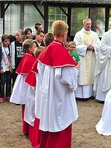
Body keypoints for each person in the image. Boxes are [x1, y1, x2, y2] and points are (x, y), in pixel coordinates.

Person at [33, 20, 78, 148]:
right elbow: (70, 81)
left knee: (48, 122)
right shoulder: (61, 52)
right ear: (64, 34)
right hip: (59, 97)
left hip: (47, 97)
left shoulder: (45, 51)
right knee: (60, 123)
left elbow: (38, 73)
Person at [10, 39, 36, 135]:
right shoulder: (31, 59)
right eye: (34, 47)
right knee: (29, 108)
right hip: (28, 86)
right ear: (29, 49)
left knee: (26, 108)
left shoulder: (26, 56)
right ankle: (28, 129)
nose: (35, 48)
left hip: (25, 86)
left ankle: (26, 129)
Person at [73, 18, 101, 99]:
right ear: (83, 24)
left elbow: (99, 45)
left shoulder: (94, 34)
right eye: (87, 24)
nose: (89, 26)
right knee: (82, 75)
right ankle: (80, 95)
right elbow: (75, 46)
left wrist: (94, 47)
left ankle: (91, 94)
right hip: (83, 58)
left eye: (90, 24)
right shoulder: (78, 34)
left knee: (91, 75)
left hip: (92, 57)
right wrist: (85, 47)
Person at [24, 46, 45, 147]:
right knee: (34, 114)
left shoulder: (36, 65)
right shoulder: (39, 66)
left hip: (32, 94)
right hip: (35, 95)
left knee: (31, 114)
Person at [0, 35, 12, 103]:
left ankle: (8, 95)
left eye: (8, 41)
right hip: (3, 67)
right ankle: (1, 96)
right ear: (3, 41)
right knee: (2, 82)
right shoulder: (1, 48)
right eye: (5, 41)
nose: (7, 42)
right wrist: (0, 67)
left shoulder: (10, 48)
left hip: (9, 67)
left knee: (8, 82)